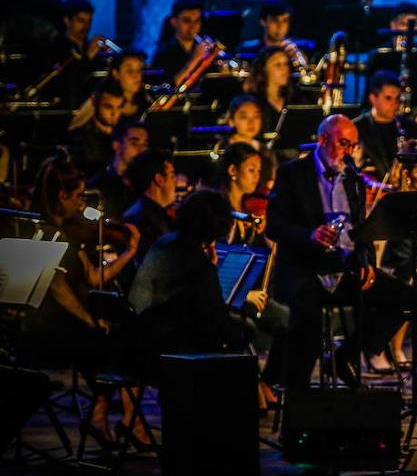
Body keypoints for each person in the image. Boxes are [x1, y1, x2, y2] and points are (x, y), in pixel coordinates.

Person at [265, 115, 417, 393]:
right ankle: (295, 400)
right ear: (323, 140)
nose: (348, 151)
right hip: (306, 270)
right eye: (343, 143)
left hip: (344, 267)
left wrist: (367, 264)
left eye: (353, 145)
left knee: (403, 300)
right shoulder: (293, 174)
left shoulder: (354, 179)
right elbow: (276, 226)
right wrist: (310, 235)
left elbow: (362, 231)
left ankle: (346, 357)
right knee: (305, 330)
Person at [19, 154, 144, 448]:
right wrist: (90, 320)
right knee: (110, 343)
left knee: (120, 337)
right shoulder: (45, 233)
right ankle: (111, 419)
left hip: (67, 321)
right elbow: (57, 288)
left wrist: (130, 253)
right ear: (62, 195)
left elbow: (92, 278)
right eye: (77, 197)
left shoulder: (68, 231)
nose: (80, 204)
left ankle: (104, 416)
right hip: (46, 326)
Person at [127, 190, 259, 369]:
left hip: (135, 338)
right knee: (243, 329)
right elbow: (214, 318)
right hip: (165, 350)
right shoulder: (196, 262)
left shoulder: (165, 242)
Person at [120, 149, 178, 276]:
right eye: (172, 175)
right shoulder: (141, 219)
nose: (176, 182)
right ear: (159, 179)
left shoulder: (154, 215)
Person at [353, 71, 417, 177]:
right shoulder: (356, 129)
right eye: (388, 98)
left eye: (397, 98)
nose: (394, 104)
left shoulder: (411, 127)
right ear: (373, 99)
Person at [86, 121, 149, 219]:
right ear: (116, 145)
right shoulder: (98, 184)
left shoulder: (146, 183)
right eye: (134, 143)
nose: (141, 150)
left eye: (144, 145)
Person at [66, 79, 126, 178]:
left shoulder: (125, 133)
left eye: (119, 107)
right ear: (94, 101)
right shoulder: (78, 138)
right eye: (108, 107)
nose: (114, 114)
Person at [149, 0, 212, 84]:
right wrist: (195, 59)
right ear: (174, 22)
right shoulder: (163, 53)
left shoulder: (202, 48)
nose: (193, 26)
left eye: (197, 20)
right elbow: (169, 87)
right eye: (187, 21)